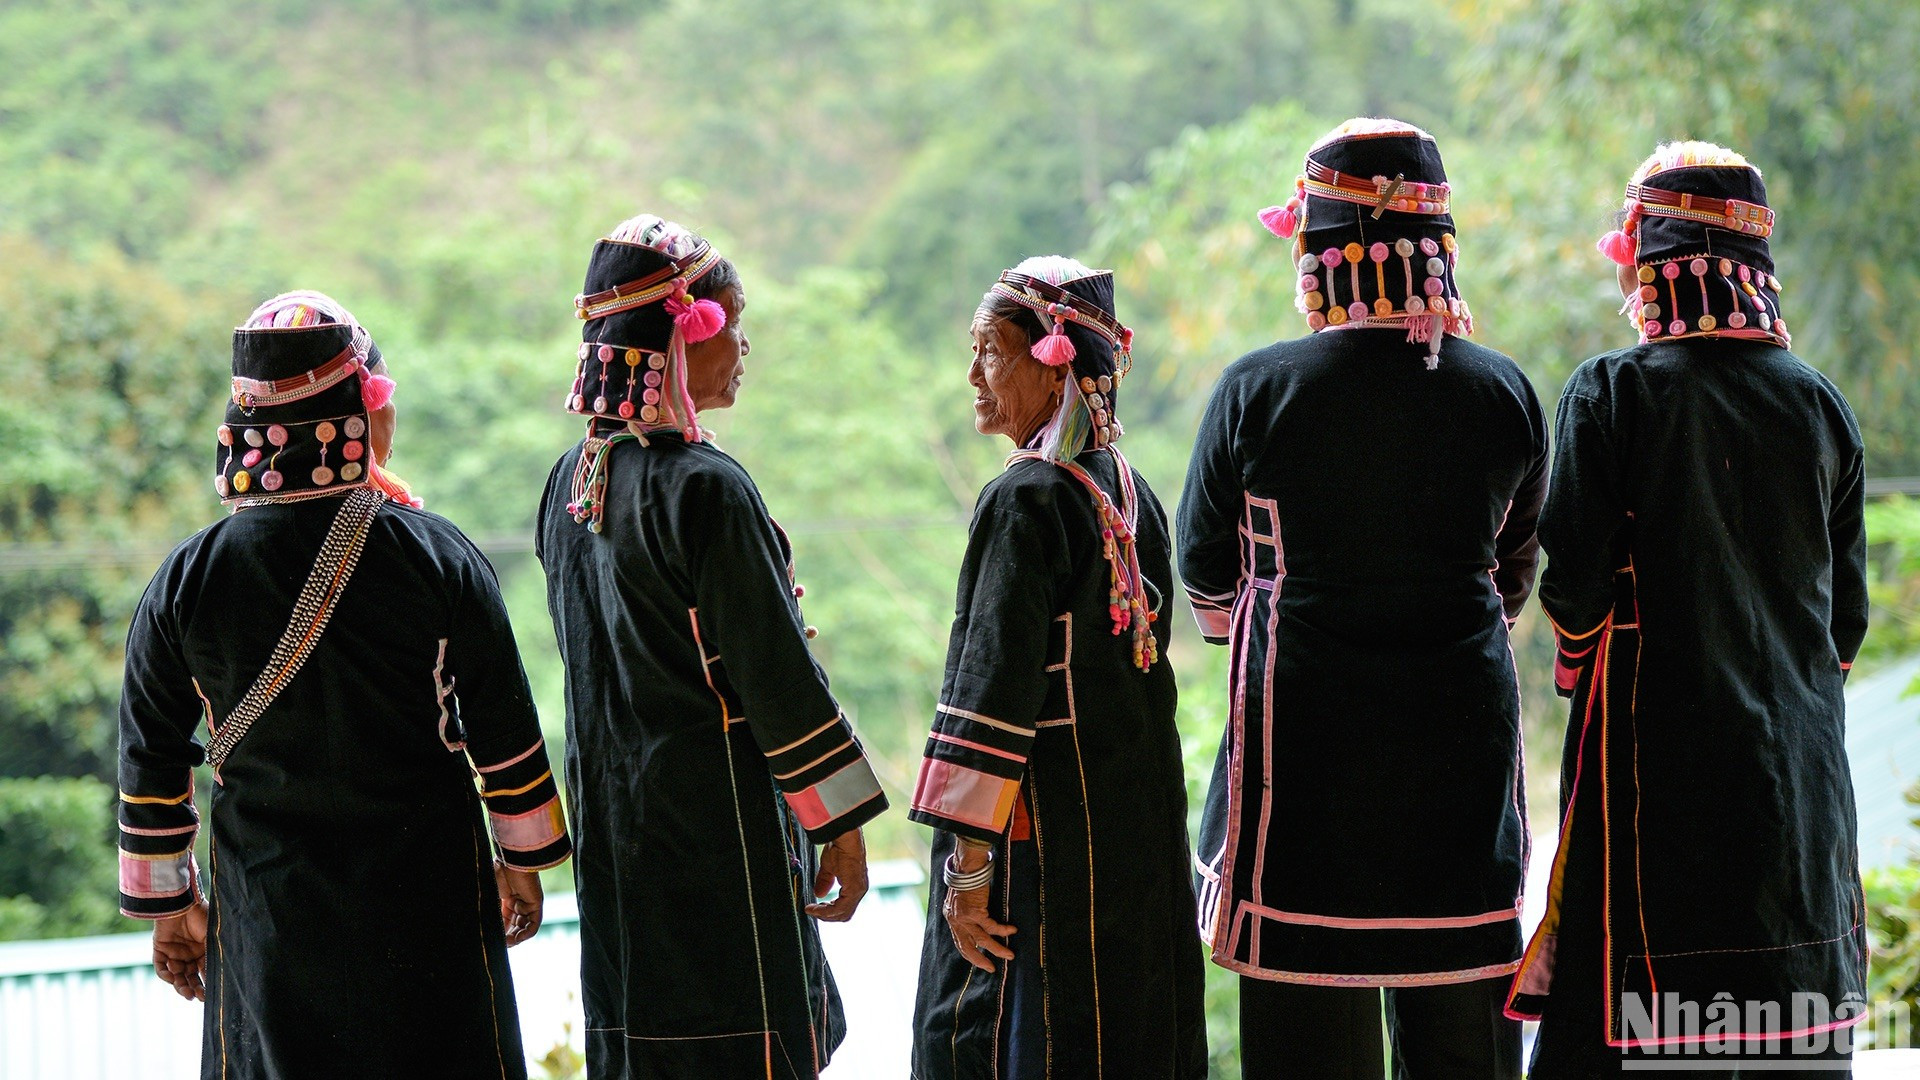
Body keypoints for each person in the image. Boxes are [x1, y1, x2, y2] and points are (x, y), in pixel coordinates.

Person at [118, 291, 570, 1079]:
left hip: (267, 916)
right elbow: (505, 729)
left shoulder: (186, 579)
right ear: (361, 413)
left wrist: (173, 909)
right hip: (428, 908)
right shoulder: (437, 557)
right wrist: (520, 861)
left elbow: (151, 762)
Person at [1179, 119, 1546, 1078]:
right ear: (1440, 248)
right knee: (1464, 1022)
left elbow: (1204, 567)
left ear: (1316, 250)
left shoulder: (1257, 389)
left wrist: (1255, 620)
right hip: (1458, 748)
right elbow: (1513, 569)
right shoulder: (1504, 392)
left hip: (1301, 759)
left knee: (1310, 1032)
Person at [1511, 142, 1870, 1076]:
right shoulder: (1821, 406)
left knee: (1641, 1020)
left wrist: (1575, 668)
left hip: (1654, 760)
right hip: (1798, 772)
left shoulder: (1614, 391)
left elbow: (1576, 588)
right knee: (1787, 1026)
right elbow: (1844, 629)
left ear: (1653, 262)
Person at [537, 214, 888, 1080]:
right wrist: (838, 825)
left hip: (616, 839)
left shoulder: (569, 483)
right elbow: (778, 681)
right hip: (715, 834)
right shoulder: (706, 488)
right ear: (679, 337)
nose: (744, 345)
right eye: (731, 322)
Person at [909, 256, 1207, 1079]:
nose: (973, 374)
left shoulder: (1026, 498)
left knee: (1022, 1033)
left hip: (1040, 842)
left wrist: (968, 873)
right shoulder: (1129, 489)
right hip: (1128, 834)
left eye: (990, 352)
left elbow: (991, 695)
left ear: (1055, 363)